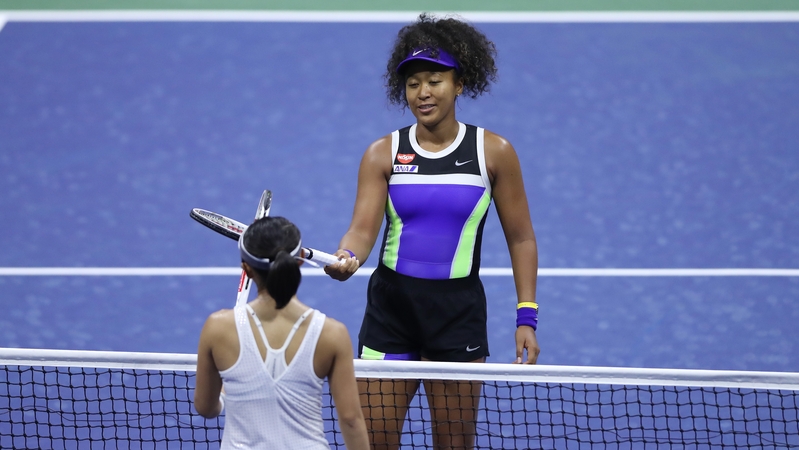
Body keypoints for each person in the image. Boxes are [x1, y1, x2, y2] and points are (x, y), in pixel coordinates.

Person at [324, 13, 540, 450]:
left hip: (457, 315)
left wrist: (526, 316)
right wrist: (347, 256)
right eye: (413, 83)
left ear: (459, 84)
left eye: (435, 80)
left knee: (453, 444)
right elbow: (361, 230)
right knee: (374, 442)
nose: (423, 92)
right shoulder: (382, 152)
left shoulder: (493, 152)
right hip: (391, 311)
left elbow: (522, 238)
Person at [194, 216, 369, 450]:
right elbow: (350, 419)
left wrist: (224, 395)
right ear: (298, 263)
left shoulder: (217, 328)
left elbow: (206, 407)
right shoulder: (331, 333)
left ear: (246, 268)